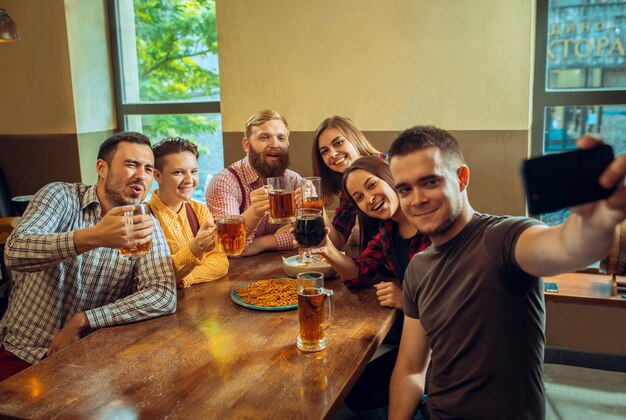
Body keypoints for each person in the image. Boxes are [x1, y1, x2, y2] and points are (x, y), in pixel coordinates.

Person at [386, 126, 626, 419]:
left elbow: (566, 246)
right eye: (405, 189)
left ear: (461, 178)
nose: (417, 199)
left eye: (430, 182)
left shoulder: (506, 236)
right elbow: (411, 368)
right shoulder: (418, 268)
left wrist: (596, 224)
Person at [0, 132, 177, 383]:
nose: (142, 175)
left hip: (88, 362)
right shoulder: (61, 196)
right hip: (21, 353)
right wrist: (93, 237)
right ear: (101, 168)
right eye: (131, 165)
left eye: (148, 169)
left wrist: (85, 320)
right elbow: (15, 252)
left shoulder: (145, 222)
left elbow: (162, 294)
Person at [301, 156, 430, 413]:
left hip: (448, 350)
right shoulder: (387, 230)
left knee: (357, 393)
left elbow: (455, 306)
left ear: (391, 177)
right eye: (359, 197)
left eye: (372, 185)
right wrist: (328, 250)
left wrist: (406, 300)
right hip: (417, 337)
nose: (369, 199)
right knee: (352, 391)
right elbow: (359, 273)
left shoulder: (432, 226)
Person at [206, 109, 302, 256]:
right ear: (246, 145)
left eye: (281, 138)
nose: (274, 144)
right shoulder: (224, 182)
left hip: (270, 267)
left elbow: (306, 236)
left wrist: (263, 243)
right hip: (230, 273)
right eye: (264, 138)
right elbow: (228, 248)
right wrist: (254, 213)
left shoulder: (293, 180)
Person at [149, 137, 228, 288]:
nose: (189, 180)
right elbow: (156, 274)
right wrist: (196, 249)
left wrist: (187, 277)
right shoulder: (145, 217)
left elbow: (220, 261)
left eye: (193, 171)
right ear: (157, 175)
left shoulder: (199, 210)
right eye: (178, 172)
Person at [312, 116, 386, 250]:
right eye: (325, 151)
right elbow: (337, 241)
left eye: (338, 142)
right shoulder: (350, 185)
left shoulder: (391, 165)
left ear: (354, 138)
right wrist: (318, 208)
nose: (333, 154)